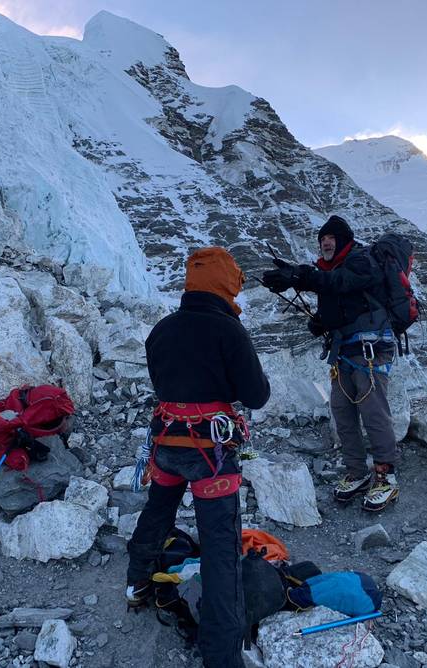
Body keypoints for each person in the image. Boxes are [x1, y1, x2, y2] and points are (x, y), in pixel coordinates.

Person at [126, 246, 270, 668]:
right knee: (220, 546)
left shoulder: (162, 330)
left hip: (168, 443)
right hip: (211, 453)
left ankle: (137, 583)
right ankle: (222, 655)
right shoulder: (229, 330)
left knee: (158, 511)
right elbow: (256, 396)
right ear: (225, 282)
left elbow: (161, 383)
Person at [261, 214, 399, 511]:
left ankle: (386, 476)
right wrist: (321, 324)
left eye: (331, 239)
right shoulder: (328, 271)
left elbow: (341, 282)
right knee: (342, 412)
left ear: (344, 241)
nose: (325, 243)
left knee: (373, 411)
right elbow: (339, 304)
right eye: (322, 240)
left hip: (370, 347)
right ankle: (357, 472)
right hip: (345, 351)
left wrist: (300, 275)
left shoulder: (361, 260)